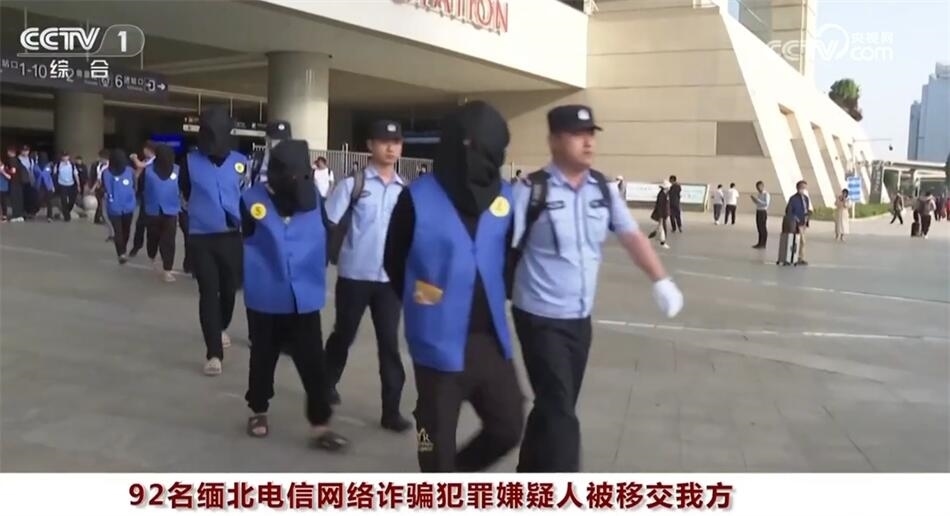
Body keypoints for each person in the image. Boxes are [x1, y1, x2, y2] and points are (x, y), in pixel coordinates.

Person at [510, 104, 683, 473]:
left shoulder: (602, 189)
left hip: (579, 320)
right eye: (577, 135)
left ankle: (528, 474)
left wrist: (661, 280)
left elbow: (631, 235)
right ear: (554, 141)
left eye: (591, 134)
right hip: (538, 317)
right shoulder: (531, 190)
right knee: (561, 412)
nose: (588, 142)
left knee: (555, 404)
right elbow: (497, 244)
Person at [383, 101, 524, 472]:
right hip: (435, 342)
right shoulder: (415, 198)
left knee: (509, 426)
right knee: (434, 447)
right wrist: (425, 301)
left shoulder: (505, 198)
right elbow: (394, 261)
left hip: (488, 341)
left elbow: (510, 255)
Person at [240, 138, 349, 451]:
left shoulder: (313, 198)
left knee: (313, 363)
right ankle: (258, 410)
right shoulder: (250, 200)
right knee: (263, 358)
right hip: (265, 296)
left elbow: (327, 231)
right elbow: (245, 239)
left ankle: (320, 424)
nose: (295, 181)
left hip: (304, 296)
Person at [324, 120, 409, 433]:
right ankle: (325, 385)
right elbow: (329, 221)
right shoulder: (352, 185)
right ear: (370, 145)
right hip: (354, 276)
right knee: (343, 334)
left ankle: (391, 411)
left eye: (396, 142)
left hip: (389, 281)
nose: (391, 148)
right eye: (384, 141)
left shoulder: (405, 190)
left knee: (389, 344)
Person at [179, 106, 246, 376]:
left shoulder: (241, 162)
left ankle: (221, 326)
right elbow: (185, 192)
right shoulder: (190, 162)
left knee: (229, 290)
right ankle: (214, 353)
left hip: (232, 236)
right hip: (201, 236)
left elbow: (247, 193)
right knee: (208, 291)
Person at [143, 145, 181, 282]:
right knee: (153, 237)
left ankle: (167, 270)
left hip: (171, 210)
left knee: (169, 241)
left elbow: (182, 187)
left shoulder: (177, 170)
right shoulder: (148, 170)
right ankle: (152, 255)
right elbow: (141, 188)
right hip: (152, 210)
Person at [102, 150, 137, 264]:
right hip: (114, 206)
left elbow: (135, 185)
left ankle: (123, 249)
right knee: (118, 231)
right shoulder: (106, 173)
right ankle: (121, 253)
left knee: (126, 230)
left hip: (128, 206)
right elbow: (104, 187)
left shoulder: (130, 171)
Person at [129, 142, 157, 257]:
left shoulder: (155, 161)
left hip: (153, 196)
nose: (143, 152)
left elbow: (141, 165)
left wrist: (134, 158)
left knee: (151, 224)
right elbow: (138, 173)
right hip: (143, 194)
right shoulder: (146, 160)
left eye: (145, 149)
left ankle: (153, 248)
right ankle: (137, 245)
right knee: (140, 223)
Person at [251, 120, 292, 186]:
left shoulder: (295, 164)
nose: (281, 144)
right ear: (267, 140)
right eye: (276, 140)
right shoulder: (257, 160)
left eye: (284, 141)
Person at [785, 181, 810, 265]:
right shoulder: (793, 199)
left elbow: (806, 209)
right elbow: (788, 211)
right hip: (796, 223)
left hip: (804, 222)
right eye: (802, 187)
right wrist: (795, 218)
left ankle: (800, 257)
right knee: (798, 241)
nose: (803, 189)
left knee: (802, 242)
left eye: (805, 187)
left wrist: (807, 218)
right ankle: (791, 257)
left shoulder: (806, 198)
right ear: (798, 188)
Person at [53, 151, 81, 222]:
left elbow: (76, 175)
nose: (65, 158)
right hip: (62, 184)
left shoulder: (72, 165)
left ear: (68, 157)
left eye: (66, 156)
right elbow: (54, 175)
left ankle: (67, 211)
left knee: (72, 200)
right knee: (64, 200)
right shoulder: (58, 165)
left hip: (71, 184)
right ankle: (67, 216)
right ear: (61, 157)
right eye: (64, 156)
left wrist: (78, 185)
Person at [2, 146, 25, 222]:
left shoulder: (12, 160)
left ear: (10, 152)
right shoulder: (18, 160)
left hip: (14, 183)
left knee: (14, 199)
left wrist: (5, 170)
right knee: (19, 199)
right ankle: (20, 215)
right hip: (19, 182)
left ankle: (15, 216)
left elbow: (13, 172)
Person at [33, 152, 55, 222]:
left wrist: (53, 186)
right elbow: (34, 175)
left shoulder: (49, 166)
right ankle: (36, 210)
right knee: (39, 199)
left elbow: (51, 176)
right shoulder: (36, 166)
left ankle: (49, 216)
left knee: (49, 201)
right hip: (40, 185)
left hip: (48, 185)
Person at [649, 181, 671, 249]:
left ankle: (651, 236)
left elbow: (666, 205)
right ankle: (662, 242)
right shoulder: (661, 195)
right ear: (666, 187)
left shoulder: (666, 194)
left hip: (664, 214)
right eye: (668, 187)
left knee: (659, 227)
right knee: (663, 228)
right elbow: (660, 206)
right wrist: (661, 216)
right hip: (661, 214)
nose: (669, 188)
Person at [17, 145, 37, 218]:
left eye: (27, 151)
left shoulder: (31, 160)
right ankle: (22, 212)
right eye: (24, 150)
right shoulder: (17, 159)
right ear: (21, 151)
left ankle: (29, 212)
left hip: (30, 181)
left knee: (30, 197)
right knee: (21, 198)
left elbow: (32, 170)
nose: (25, 152)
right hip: (21, 181)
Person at [751, 180, 770, 248]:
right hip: (758, 211)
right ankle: (759, 243)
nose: (758, 189)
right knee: (759, 227)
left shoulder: (766, 194)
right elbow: (758, 203)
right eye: (757, 187)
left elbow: (766, 203)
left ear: (762, 186)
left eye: (759, 187)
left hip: (763, 212)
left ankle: (763, 243)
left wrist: (757, 200)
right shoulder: (759, 194)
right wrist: (754, 200)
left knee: (763, 228)